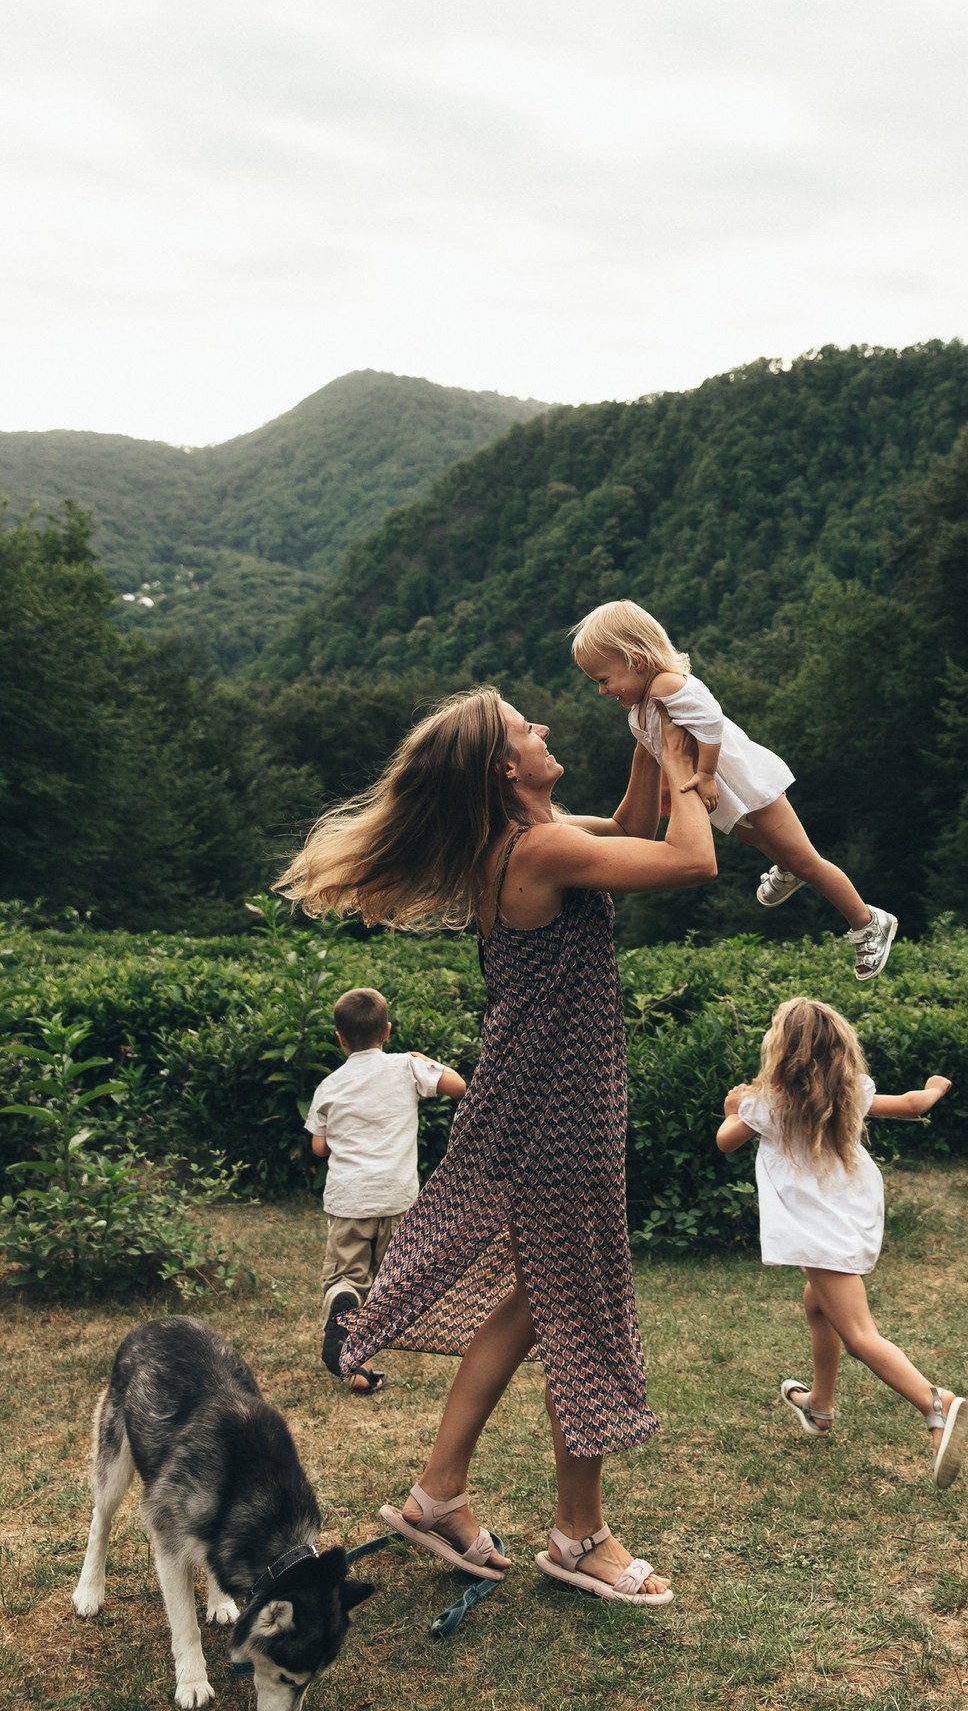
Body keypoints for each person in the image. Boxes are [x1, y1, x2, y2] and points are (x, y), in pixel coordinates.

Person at [275, 686, 716, 1603]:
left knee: (533, 1303)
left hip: (545, 1100)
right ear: (505, 769)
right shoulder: (540, 849)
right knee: (582, 1309)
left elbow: (631, 826)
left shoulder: (522, 844)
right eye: (527, 728)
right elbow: (686, 860)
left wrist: (645, 734)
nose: (545, 730)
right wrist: (686, 761)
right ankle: (579, 1535)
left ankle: (438, 1496)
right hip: (557, 1112)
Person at [716, 996, 968, 1486]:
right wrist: (935, 1087)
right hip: (850, 1217)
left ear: (780, 1050)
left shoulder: (765, 1103)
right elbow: (914, 1105)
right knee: (817, 1304)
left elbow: (726, 1140)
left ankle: (935, 1402)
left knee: (859, 1335)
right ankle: (820, 1406)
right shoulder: (853, 1092)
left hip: (816, 1232)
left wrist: (730, 1109)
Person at [570, 598, 896, 980]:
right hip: (727, 794)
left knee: (808, 859)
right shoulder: (639, 711)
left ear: (636, 660)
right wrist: (665, 793)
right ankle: (787, 868)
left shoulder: (667, 685)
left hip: (747, 782)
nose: (602, 691)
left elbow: (709, 722)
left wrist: (705, 775)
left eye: (604, 680)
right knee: (754, 839)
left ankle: (867, 920)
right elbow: (664, 751)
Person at [306, 985, 467, 1396]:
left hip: (349, 1200)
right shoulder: (405, 1067)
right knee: (383, 1282)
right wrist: (423, 1061)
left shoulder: (329, 1086)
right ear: (388, 1031)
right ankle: (362, 1364)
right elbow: (459, 1086)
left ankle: (350, 1340)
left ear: (340, 1038)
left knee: (346, 1278)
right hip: (397, 1197)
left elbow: (319, 1147)